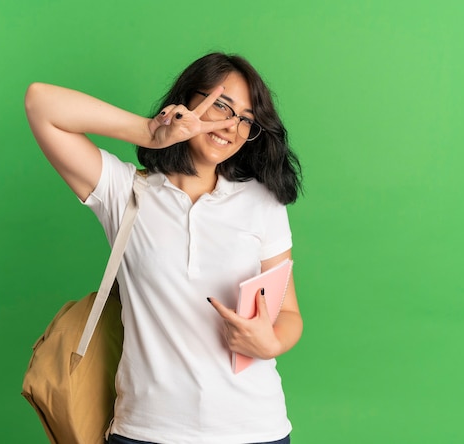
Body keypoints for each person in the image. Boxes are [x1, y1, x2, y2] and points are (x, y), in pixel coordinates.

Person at [25, 52, 303, 444]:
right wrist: (150, 131)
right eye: (221, 106)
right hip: (146, 432)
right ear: (188, 100)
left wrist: (270, 341)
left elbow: (288, 314)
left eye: (245, 119)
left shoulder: (262, 202)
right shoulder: (125, 192)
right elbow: (40, 103)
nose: (230, 125)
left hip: (255, 429)